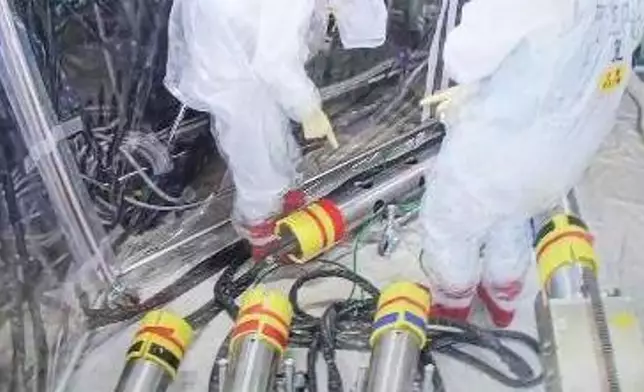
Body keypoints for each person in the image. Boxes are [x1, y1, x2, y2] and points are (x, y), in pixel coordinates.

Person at [420, 0, 644, 327]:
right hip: (569, 151)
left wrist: (474, 85)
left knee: (451, 224)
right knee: (513, 218)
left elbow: (463, 58)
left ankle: (453, 304)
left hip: (501, 147)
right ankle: (503, 295)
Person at [164, 0, 388, 258]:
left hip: (237, 34)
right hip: (228, 50)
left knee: (268, 119)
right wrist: (308, 108)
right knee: (252, 143)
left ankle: (281, 198)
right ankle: (262, 229)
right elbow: (274, 63)